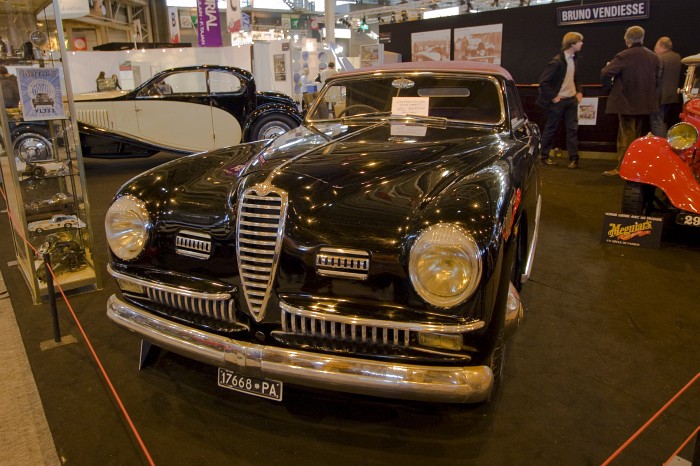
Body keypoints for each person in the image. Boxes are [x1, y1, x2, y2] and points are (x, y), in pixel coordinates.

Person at [600, 26, 660, 177]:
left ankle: (623, 168)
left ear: (627, 40)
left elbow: (606, 73)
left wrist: (610, 89)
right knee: (638, 136)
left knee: (625, 137)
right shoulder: (653, 56)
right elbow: (657, 80)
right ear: (642, 38)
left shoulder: (624, 55)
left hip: (626, 102)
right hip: (645, 103)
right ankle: (636, 167)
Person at [536, 32, 584, 169]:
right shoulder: (557, 62)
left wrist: (579, 91)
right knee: (551, 128)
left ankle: (574, 159)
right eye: (580, 42)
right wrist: (554, 97)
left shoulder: (574, 59)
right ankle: (543, 156)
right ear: (572, 44)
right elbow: (543, 82)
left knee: (572, 129)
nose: (582, 44)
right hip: (559, 101)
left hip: (571, 100)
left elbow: (577, 79)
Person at [649, 36, 682, 137]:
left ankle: (660, 145)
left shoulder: (660, 58)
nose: (654, 50)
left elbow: (656, 77)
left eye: (656, 47)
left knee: (657, 123)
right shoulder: (677, 57)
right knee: (665, 121)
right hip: (672, 96)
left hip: (659, 97)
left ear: (663, 46)